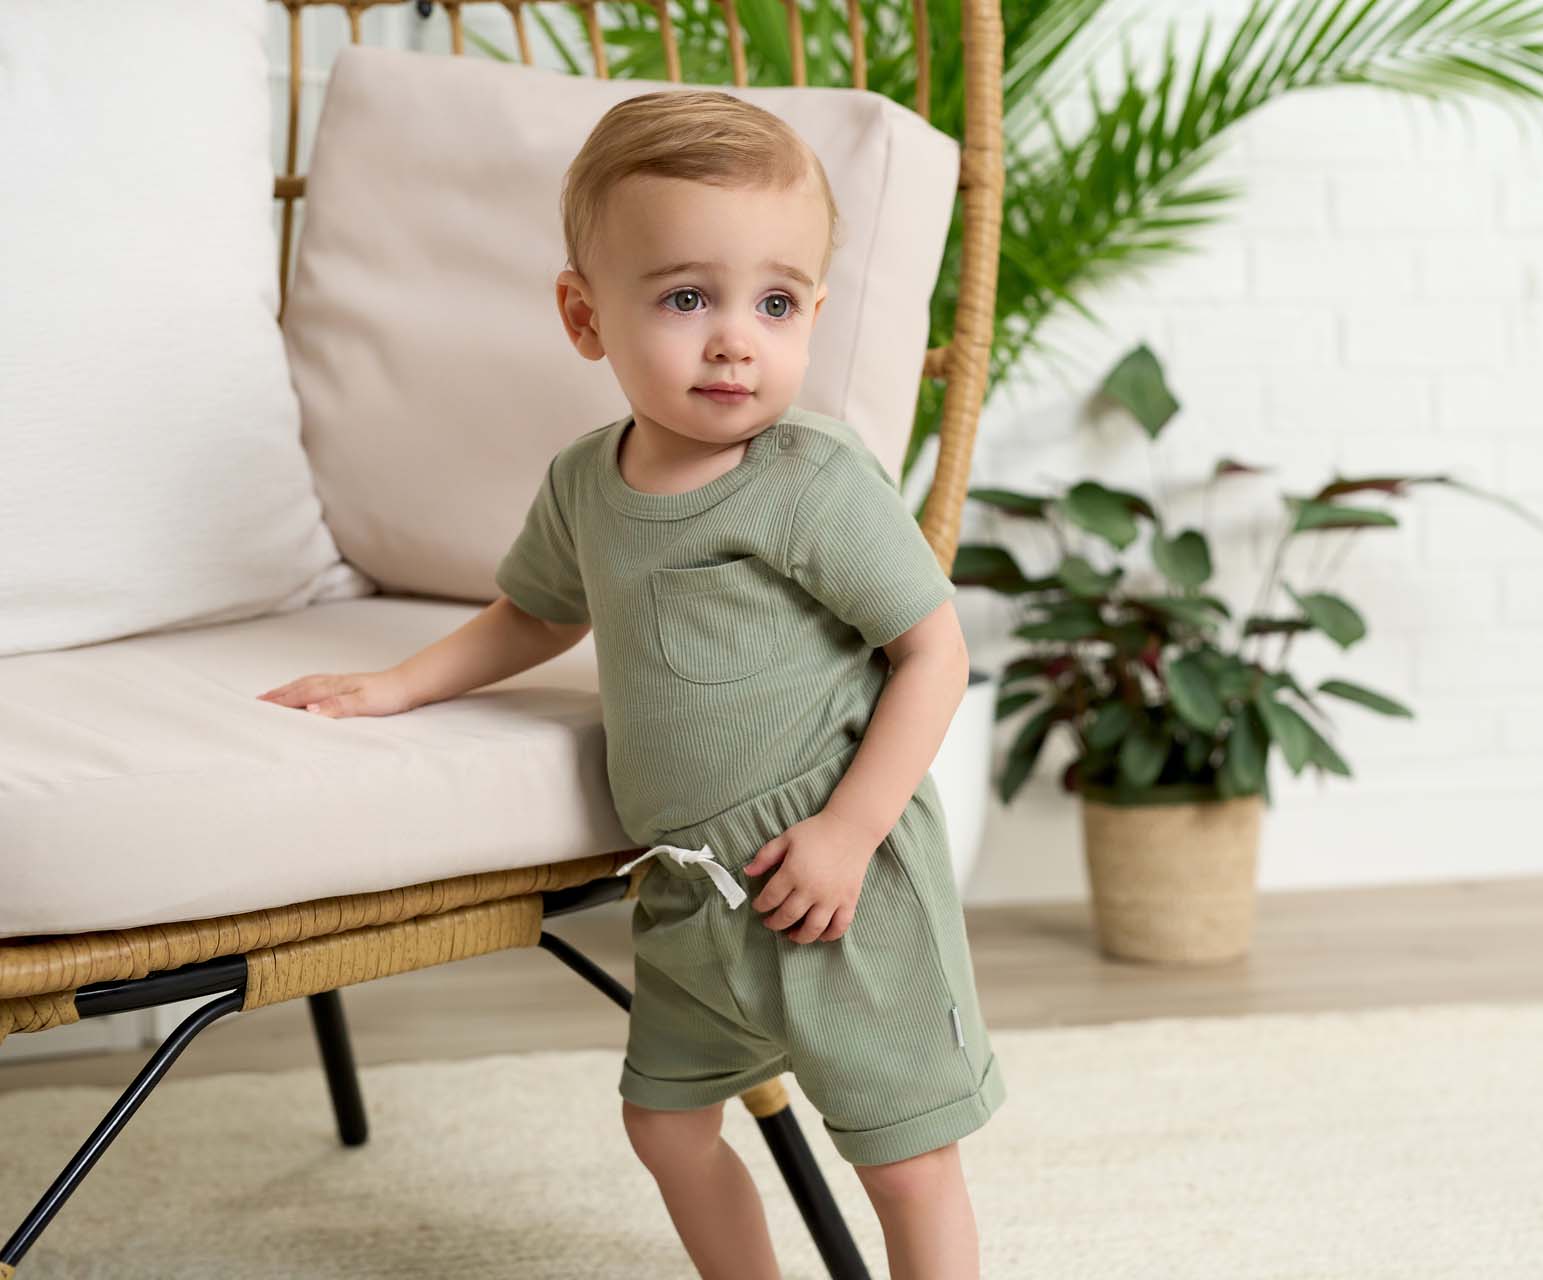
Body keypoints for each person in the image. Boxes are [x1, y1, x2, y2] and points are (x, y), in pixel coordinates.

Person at [256, 89, 1005, 1280]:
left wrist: (850, 833)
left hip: (832, 874)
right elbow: (537, 610)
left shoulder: (811, 478)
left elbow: (934, 651)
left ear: (814, 311)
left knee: (905, 1152)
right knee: (662, 1121)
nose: (733, 338)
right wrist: (401, 685)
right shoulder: (585, 481)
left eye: (774, 302)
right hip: (693, 893)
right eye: (685, 296)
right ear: (584, 313)